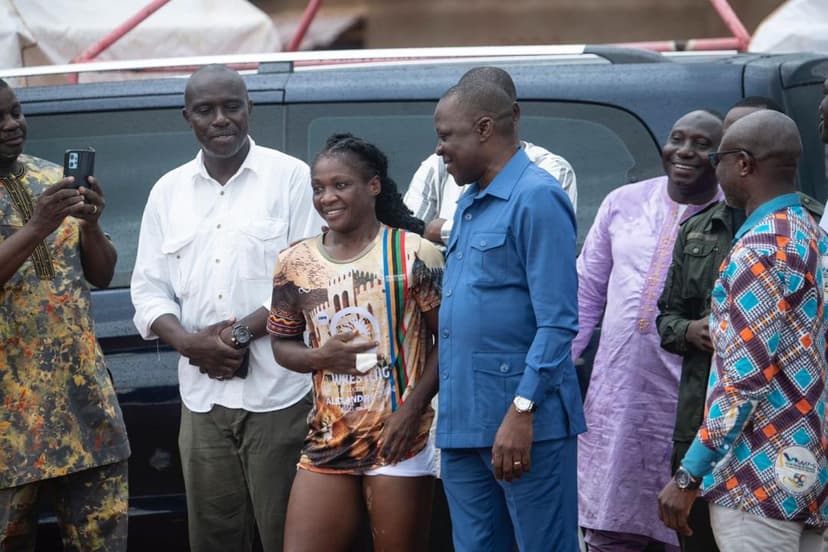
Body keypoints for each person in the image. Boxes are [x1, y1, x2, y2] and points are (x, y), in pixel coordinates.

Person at [130, 65, 320, 552]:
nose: (220, 119)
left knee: (287, 536)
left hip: (280, 393)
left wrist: (236, 337)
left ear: (249, 108)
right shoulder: (167, 191)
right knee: (213, 538)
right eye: (205, 110)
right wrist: (190, 344)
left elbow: (307, 276)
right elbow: (148, 290)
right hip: (202, 397)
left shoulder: (291, 177)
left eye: (231, 106)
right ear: (187, 117)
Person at [656, 97, 824, 552]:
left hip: (756, 480)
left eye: (719, 159)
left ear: (744, 164)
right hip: (809, 471)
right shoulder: (811, 232)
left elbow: (743, 383)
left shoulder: (758, 250)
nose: (716, 171)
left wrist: (689, 473)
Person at [267, 133, 443, 552]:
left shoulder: (413, 253)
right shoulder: (295, 262)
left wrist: (411, 410)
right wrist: (319, 356)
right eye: (318, 188)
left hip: (401, 439)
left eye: (340, 185)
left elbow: (449, 341)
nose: (327, 197)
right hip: (329, 439)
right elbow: (281, 345)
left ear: (373, 185)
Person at [434, 75, 584, 551]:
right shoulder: (469, 202)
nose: (439, 149)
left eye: (446, 135)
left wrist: (523, 410)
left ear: (484, 128)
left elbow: (558, 321)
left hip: (523, 425)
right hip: (463, 423)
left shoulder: (537, 196)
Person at [574, 109, 725, 551]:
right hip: (615, 401)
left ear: (724, 157)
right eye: (677, 138)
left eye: (701, 144)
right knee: (609, 529)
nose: (684, 151)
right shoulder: (623, 203)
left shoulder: (729, 218)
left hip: (685, 405)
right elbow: (585, 292)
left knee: (683, 530)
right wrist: (556, 369)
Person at [0, 79, 130, 549]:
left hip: (84, 408)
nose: (12, 125)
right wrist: (37, 226)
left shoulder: (52, 179)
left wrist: (91, 225)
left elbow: (102, 274)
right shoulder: (45, 207)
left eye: (16, 112)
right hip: (9, 422)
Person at [403, 66, 577, 245]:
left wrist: (441, 230)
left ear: (513, 114)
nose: (440, 149)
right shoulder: (440, 166)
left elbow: (529, 241)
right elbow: (406, 239)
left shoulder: (548, 173)